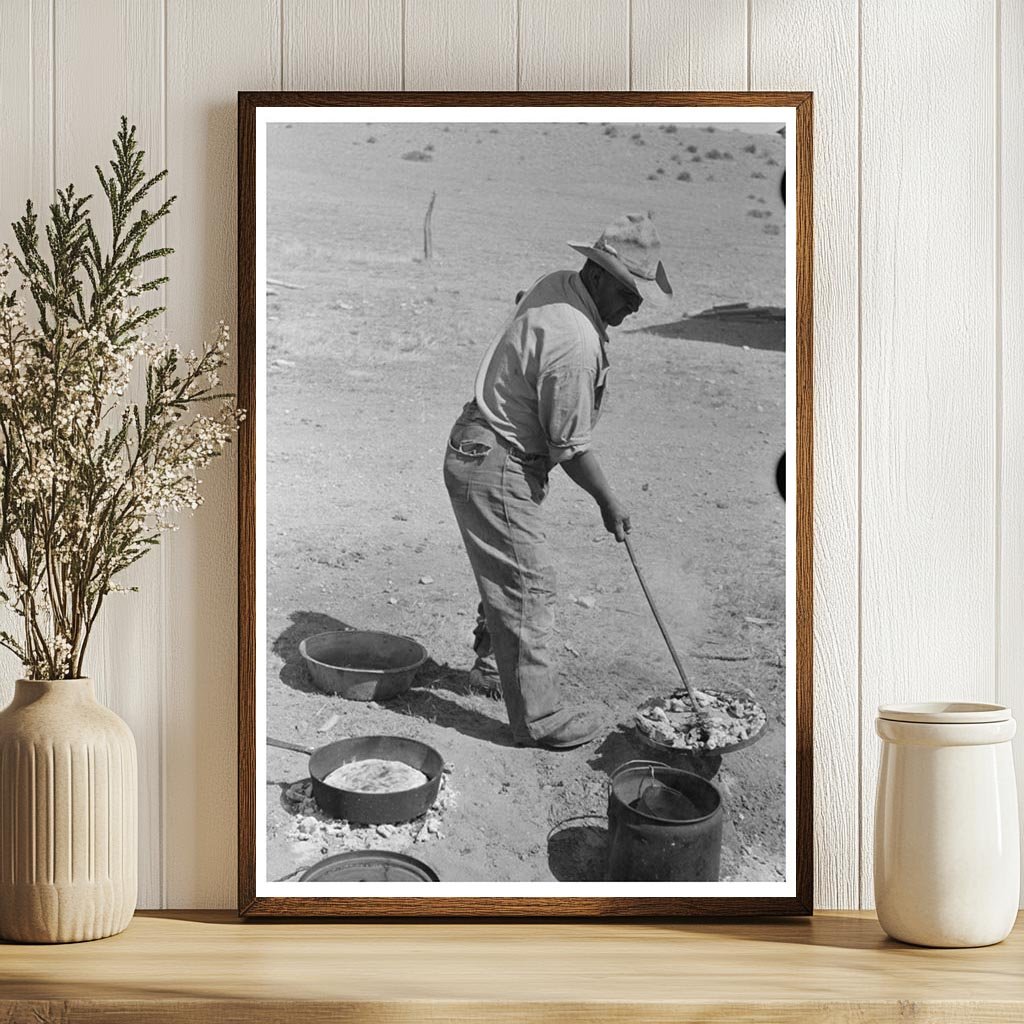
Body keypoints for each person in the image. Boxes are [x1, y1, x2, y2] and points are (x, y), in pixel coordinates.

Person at [443, 212, 673, 749]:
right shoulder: (576, 342)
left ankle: (491, 670)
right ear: (596, 275)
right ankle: (539, 721)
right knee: (528, 582)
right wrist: (608, 502)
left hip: (484, 447)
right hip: (496, 461)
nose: (634, 306)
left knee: (510, 566)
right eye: (627, 292)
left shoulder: (558, 285)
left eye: (639, 295)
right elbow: (570, 446)